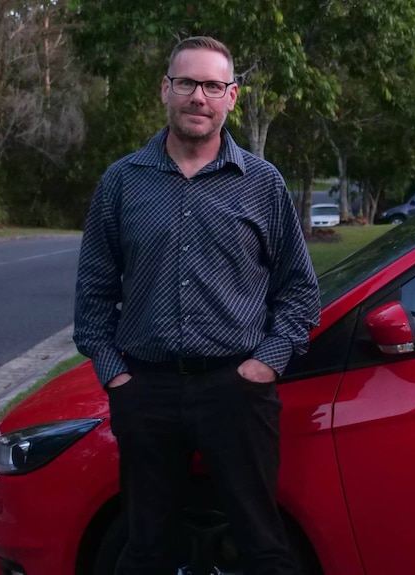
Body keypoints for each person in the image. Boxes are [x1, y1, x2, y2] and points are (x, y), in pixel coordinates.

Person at [73, 36, 321, 575]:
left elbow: (299, 290)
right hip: (147, 393)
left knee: (263, 545)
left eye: (213, 86)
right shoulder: (122, 182)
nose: (198, 97)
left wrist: (263, 366)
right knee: (146, 549)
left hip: (236, 392)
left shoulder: (261, 183)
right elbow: (93, 296)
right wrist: (118, 379)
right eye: (187, 83)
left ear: (231, 97)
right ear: (166, 89)